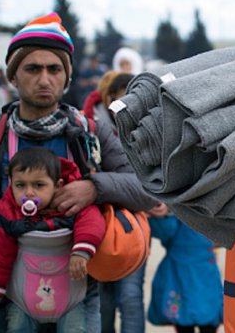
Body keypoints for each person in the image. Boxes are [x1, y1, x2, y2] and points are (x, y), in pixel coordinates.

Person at [0, 12, 157, 332]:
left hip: (79, 297)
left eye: (54, 69)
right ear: (13, 76)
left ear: (66, 78)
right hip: (5, 298)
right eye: (32, 68)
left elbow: (146, 187)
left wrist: (94, 187)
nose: (44, 78)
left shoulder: (90, 133)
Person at [0, 147, 105, 332]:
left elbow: (92, 222)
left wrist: (81, 251)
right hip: (22, 301)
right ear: (11, 184)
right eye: (20, 185)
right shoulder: (7, 211)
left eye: (39, 185)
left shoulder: (73, 205)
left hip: (72, 300)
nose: (29, 193)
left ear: (58, 185)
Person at [82, 70, 152, 333]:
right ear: (110, 97)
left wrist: (158, 201)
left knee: (131, 298)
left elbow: (157, 180)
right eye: (126, 98)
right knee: (104, 300)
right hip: (97, 227)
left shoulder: (149, 127)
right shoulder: (88, 128)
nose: (131, 105)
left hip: (133, 227)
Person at [147, 214, 222, 333]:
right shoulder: (174, 214)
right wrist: (162, 213)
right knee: (186, 321)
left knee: (207, 320)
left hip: (203, 275)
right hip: (180, 275)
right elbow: (164, 230)